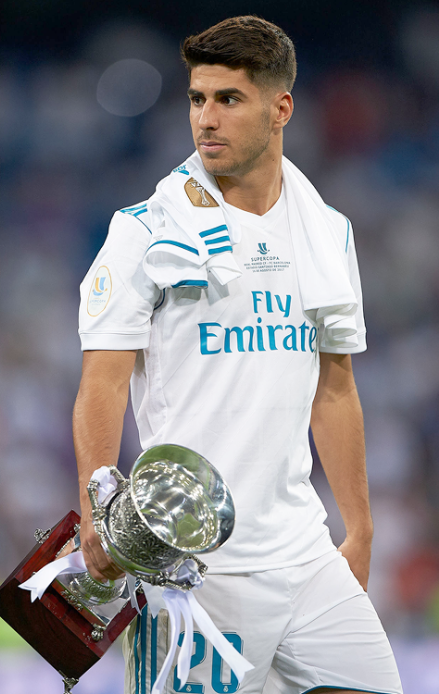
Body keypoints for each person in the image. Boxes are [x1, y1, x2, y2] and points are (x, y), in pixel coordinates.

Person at [73, 15, 402, 694]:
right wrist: (96, 508)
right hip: (194, 567)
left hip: (305, 555)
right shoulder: (144, 232)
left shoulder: (327, 234)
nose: (206, 119)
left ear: (280, 108)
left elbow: (334, 388)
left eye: (229, 99)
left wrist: (360, 528)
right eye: (198, 99)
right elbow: (102, 384)